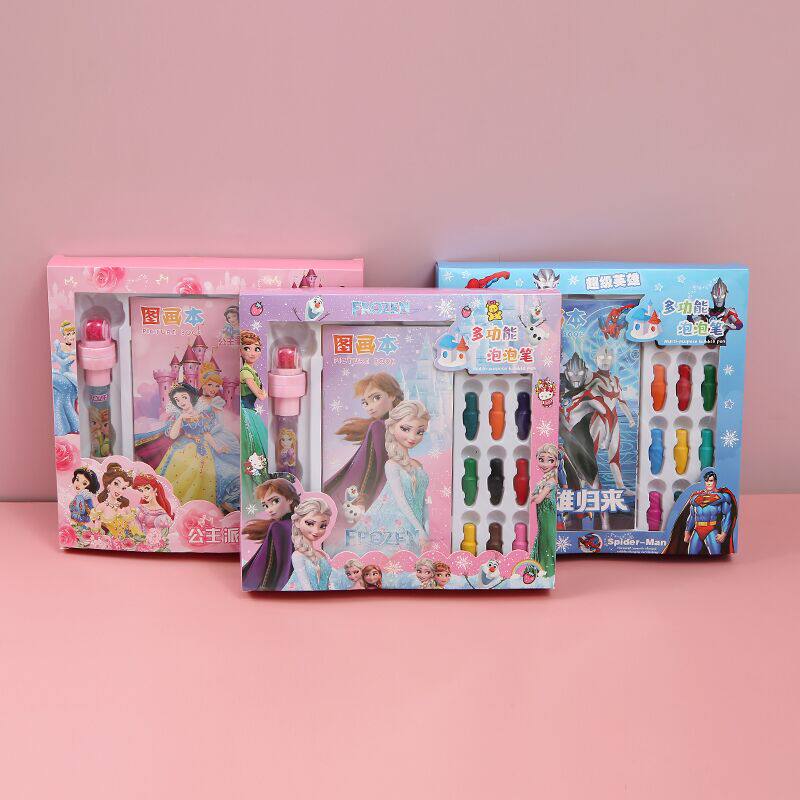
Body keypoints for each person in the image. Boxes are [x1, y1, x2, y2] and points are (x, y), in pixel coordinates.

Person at [349, 400, 430, 553]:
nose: (412, 437)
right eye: (405, 429)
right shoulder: (392, 465)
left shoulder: (418, 465)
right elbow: (401, 500)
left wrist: (426, 528)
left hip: (416, 525)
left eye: (419, 432)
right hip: (398, 526)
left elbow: (424, 501)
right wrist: (419, 529)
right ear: (392, 427)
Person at [323, 373, 404, 516]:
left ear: (392, 395)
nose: (370, 408)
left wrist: (363, 499)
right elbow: (371, 465)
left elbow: (372, 466)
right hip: (387, 490)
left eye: (376, 398)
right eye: (365, 403)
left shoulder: (382, 426)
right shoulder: (387, 426)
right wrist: (363, 498)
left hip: (379, 490)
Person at [242, 478, 301, 591]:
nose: (269, 510)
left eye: (275, 501)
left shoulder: (278, 527)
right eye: (265, 505)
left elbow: (270, 562)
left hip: (273, 583)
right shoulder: (298, 524)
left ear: (289, 498)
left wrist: (265, 586)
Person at [282, 497, 333, 592]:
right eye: (310, 523)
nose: (316, 531)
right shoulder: (298, 556)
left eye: (322, 526)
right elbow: (305, 586)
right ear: (297, 522)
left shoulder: (322, 555)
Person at [531, 443, 558, 577]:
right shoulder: (544, 479)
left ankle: (547, 570)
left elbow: (538, 499)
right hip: (542, 514)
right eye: (541, 459)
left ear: (555, 462)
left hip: (548, 514)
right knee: (542, 538)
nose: (545, 464)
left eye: (550, 460)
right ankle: (540, 567)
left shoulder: (551, 481)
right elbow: (535, 496)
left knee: (547, 539)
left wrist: (533, 497)